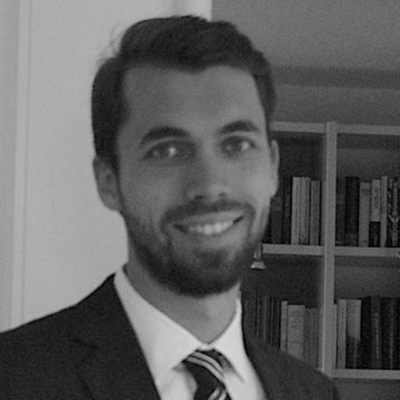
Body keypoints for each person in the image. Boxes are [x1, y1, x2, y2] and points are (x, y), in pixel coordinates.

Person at [0, 15, 340, 399]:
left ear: (273, 167)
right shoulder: (12, 378)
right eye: (167, 151)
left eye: (237, 145)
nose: (210, 185)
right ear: (108, 181)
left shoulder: (314, 393)